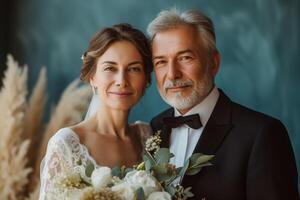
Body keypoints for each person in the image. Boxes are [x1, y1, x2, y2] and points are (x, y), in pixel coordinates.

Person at [148, 9, 299, 199]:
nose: (172, 74)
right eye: (161, 62)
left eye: (185, 58)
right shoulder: (153, 128)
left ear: (213, 63)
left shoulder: (262, 134)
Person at [39, 23, 153, 199]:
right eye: (110, 68)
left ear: (146, 78)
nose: (122, 80)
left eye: (134, 69)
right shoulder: (67, 144)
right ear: (93, 77)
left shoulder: (148, 137)